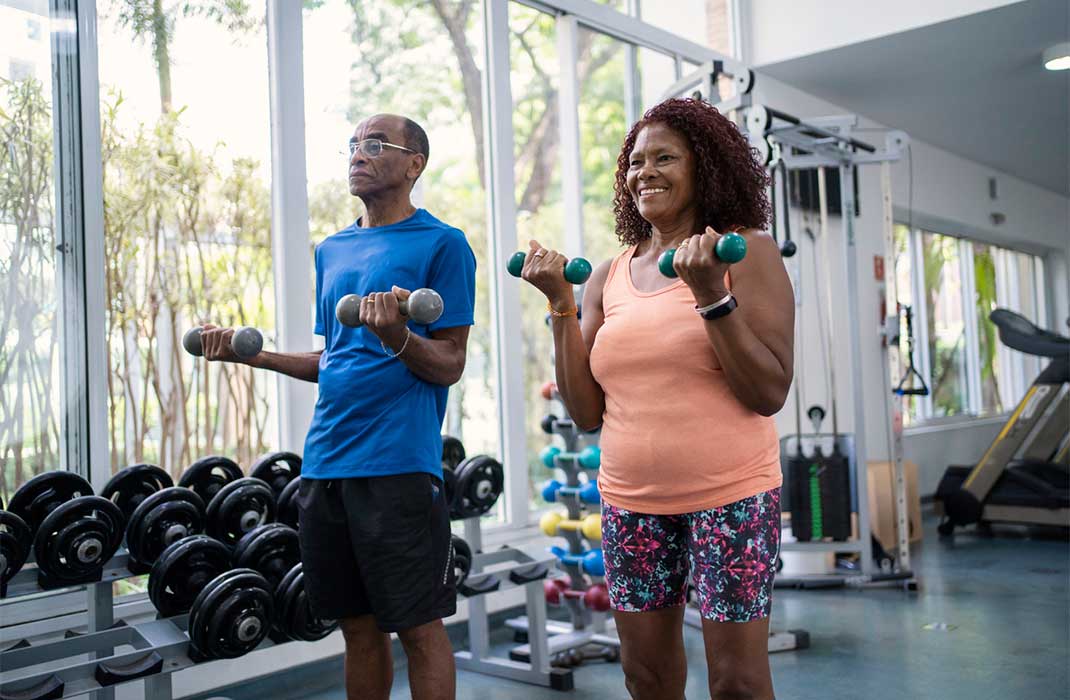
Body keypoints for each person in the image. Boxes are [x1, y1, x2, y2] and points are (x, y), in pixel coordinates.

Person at [519, 97, 794, 700]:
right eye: (635, 161)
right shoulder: (607, 276)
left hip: (732, 497)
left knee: (738, 683)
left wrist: (709, 296)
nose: (644, 171)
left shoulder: (744, 252)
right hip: (630, 500)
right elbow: (587, 412)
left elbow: (769, 391)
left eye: (664, 157)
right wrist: (560, 306)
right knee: (646, 677)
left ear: (706, 168)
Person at [199, 113, 476, 700]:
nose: (359, 153)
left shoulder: (444, 244)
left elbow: (450, 362)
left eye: (377, 145)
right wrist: (257, 357)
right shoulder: (333, 249)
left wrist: (398, 335)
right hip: (325, 466)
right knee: (355, 627)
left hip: (399, 466)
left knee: (419, 628)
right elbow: (335, 359)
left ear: (414, 165)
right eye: (353, 144)